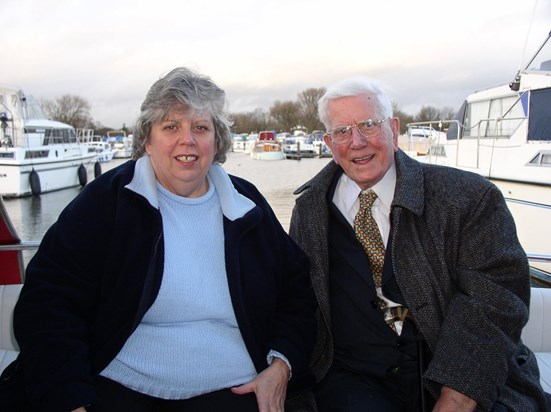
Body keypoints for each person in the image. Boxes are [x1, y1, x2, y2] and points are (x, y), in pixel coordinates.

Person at [0, 67, 316, 412]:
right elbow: (49, 304)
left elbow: (295, 292)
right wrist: (70, 400)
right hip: (121, 385)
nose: (188, 140)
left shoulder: (247, 205)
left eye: (200, 127)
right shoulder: (108, 201)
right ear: (148, 141)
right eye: (171, 127)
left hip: (236, 388)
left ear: (217, 140)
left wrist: (280, 365)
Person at [289, 76, 548, 411]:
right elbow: (297, 298)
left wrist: (458, 393)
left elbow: (495, 298)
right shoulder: (310, 210)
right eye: (342, 131)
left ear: (394, 130)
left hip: (461, 375)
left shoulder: (467, 198)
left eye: (368, 125)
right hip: (354, 379)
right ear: (328, 142)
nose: (356, 141)